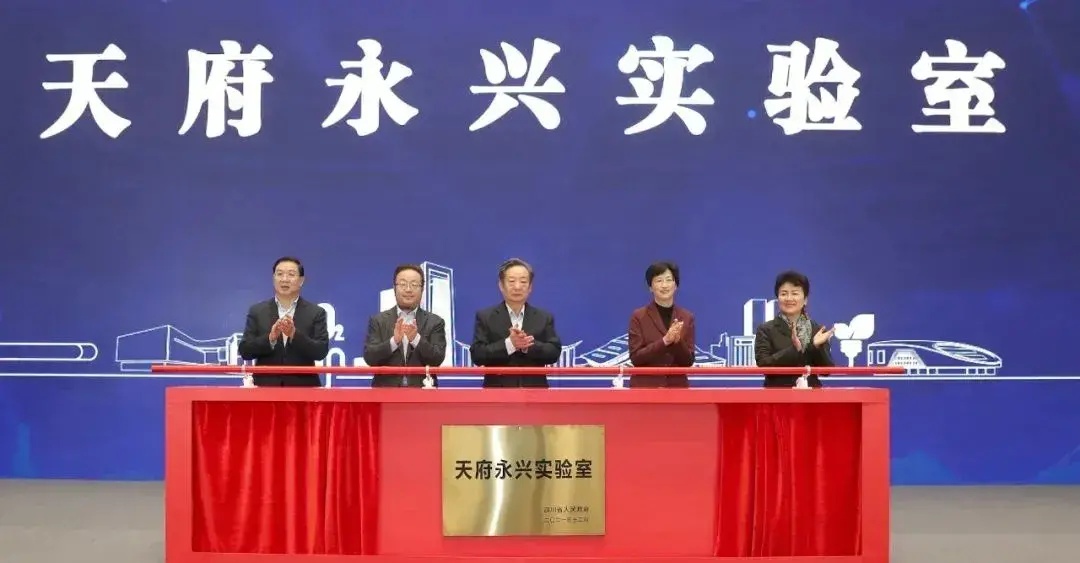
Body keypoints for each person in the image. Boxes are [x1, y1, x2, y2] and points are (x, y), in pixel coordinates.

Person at [238, 256, 330, 387]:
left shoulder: (316, 312)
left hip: (303, 389)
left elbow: (320, 351)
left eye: (291, 274)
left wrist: (294, 334)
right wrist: (270, 338)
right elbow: (245, 351)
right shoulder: (257, 311)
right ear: (273, 278)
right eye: (280, 274)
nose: (284, 279)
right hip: (265, 388)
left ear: (301, 280)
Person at [471, 258, 562, 388]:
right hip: (497, 393)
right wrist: (509, 344)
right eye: (512, 281)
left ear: (530, 287)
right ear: (501, 285)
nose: (517, 287)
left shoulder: (544, 317)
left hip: (535, 393)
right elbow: (477, 355)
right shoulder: (485, 316)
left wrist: (527, 346)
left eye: (523, 282)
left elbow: (554, 352)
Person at [362, 264, 448, 387]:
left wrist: (416, 339)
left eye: (414, 285)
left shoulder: (435, 322)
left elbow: (437, 359)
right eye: (403, 284)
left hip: (422, 392)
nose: (408, 289)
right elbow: (370, 357)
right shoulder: (378, 321)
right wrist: (394, 341)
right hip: (386, 393)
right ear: (394, 288)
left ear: (422, 289)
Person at [754, 270, 835, 388]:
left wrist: (816, 347)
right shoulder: (766, 329)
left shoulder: (816, 329)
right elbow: (764, 365)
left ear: (805, 300)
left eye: (795, 293)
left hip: (811, 396)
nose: (789, 298)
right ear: (778, 298)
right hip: (777, 394)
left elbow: (827, 371)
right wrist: (794, 349)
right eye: (784, 294)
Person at [627, 261, 696, 388]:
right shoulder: (639, 316)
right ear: (650, 287)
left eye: (669, 280)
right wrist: (665, 341)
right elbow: (636, 358)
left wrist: (677, 342)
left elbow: (688, 361)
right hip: (645, 389)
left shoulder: (687, 317)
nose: (664, 285)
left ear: (675, 285)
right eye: (659, 281)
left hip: (676, 389)